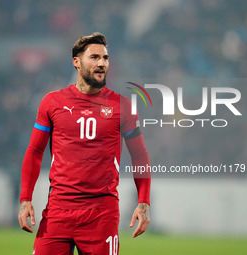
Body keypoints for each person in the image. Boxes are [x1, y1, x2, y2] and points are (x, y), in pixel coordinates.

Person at [18, 32, 151, 255]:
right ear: (76, 62)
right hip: (58, 212)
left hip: (101, 215)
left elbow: (140, 156)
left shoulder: (122, 106)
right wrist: (25, 199)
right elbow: (35, 151)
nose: (102, 63)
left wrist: (144, 203)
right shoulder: (52, 102)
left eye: (105, 58)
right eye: (95, 57)